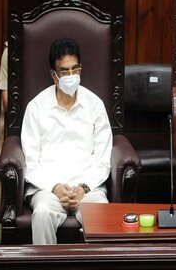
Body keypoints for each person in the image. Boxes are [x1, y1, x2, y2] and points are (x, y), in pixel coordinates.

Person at [21, 38, 112, 244]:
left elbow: (103, 159)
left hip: (88, 188)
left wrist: (83, 188)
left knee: (101, 214)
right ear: (53, 75)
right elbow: (31, 163)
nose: (71, 76)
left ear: (81, 69)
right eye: (64, 71)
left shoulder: (95, 105)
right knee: (42, 214)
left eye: (75, 69)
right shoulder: (36, 107)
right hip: (47, 189)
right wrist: (54, 187)